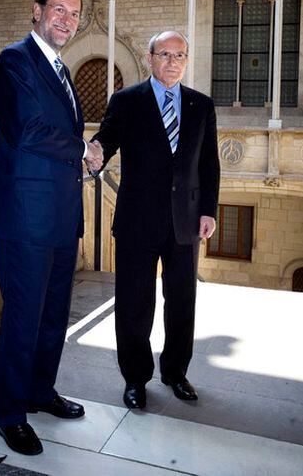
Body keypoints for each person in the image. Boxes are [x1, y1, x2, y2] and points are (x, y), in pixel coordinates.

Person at [0, 0, 103, 455]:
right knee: (22, 318)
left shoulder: (61, 69)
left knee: (54, 317)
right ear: (37, 10)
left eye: (73, 14)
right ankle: (9, 412)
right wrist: (83, 149)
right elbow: (27, 130)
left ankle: (39, 391)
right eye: (57, 9)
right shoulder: (15, 61)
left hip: (59, 218)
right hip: (25, 219)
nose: (65, 20)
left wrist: (85, 153)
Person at [92, 30, 220, 409]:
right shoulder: (127, 101)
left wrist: (208, 210)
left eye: (179, 55)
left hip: (185, 222)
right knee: (134, 303)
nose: (171, 62)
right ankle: (135, 378)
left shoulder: (201, 105)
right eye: (164, 54)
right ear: (150, 58)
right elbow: (106, 141)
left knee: (181, 301)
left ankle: (176, 372)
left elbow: (209, 164)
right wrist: (91, 153)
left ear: (186, 60)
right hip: (137, 221)